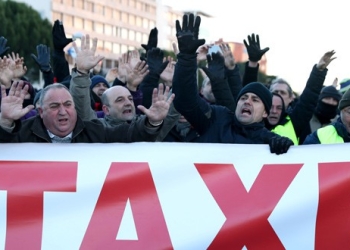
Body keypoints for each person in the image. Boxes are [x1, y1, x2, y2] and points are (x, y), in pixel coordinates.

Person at [172, 13, 294, 154]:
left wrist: (286, 148)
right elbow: (185, 101)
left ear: (266, 112)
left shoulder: (269, 141)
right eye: (243, 98)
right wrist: (187, 58)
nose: (247, 101)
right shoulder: (217, 119)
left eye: (255, 100)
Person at [0, 79, 173, 143]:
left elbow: (131, 134)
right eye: (54, 106)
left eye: (68, 104)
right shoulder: (22, 134)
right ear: (40, 112)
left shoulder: (96, 131)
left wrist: (153, 122)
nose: (63, 111)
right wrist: (6, 122)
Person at [265, 51, 336, 145]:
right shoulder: (254, 120)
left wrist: (318, 72)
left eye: (282, 92)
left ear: (291, 97)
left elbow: (308, 99)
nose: (274, 111)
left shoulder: (294, 121)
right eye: (275, 92)